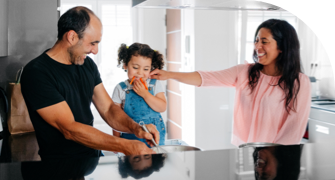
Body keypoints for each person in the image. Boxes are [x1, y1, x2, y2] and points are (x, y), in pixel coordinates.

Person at [20, 6, 158, 160]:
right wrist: (125, 145)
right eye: (93, 43)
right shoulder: (37, 73)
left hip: (91, 158)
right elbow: (69, 129)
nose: (95, 51)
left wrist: (137, 129)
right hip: (58, 166)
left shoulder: (87, 65)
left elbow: (108, 109)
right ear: (72, 37)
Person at [149, 19, 311, 146]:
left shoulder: (299, 82)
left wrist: (274, 157)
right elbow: (206, 77)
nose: (257, 46)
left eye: (264, 41)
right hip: (248, 150)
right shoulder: (245, 72)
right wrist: (168, 74)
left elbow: (293, 128)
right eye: (256, 40)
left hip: (279, 156)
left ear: (282, 46)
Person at [112, 43, 166, 147]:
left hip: (154, 139)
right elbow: (115, 117)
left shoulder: (154, 84)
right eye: (135, 67)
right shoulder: (120, 89)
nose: (140, 73)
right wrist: (116, 141)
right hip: (130, 140)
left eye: (146, 69)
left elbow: (162, 107)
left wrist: (145, 94)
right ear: (125, 65)